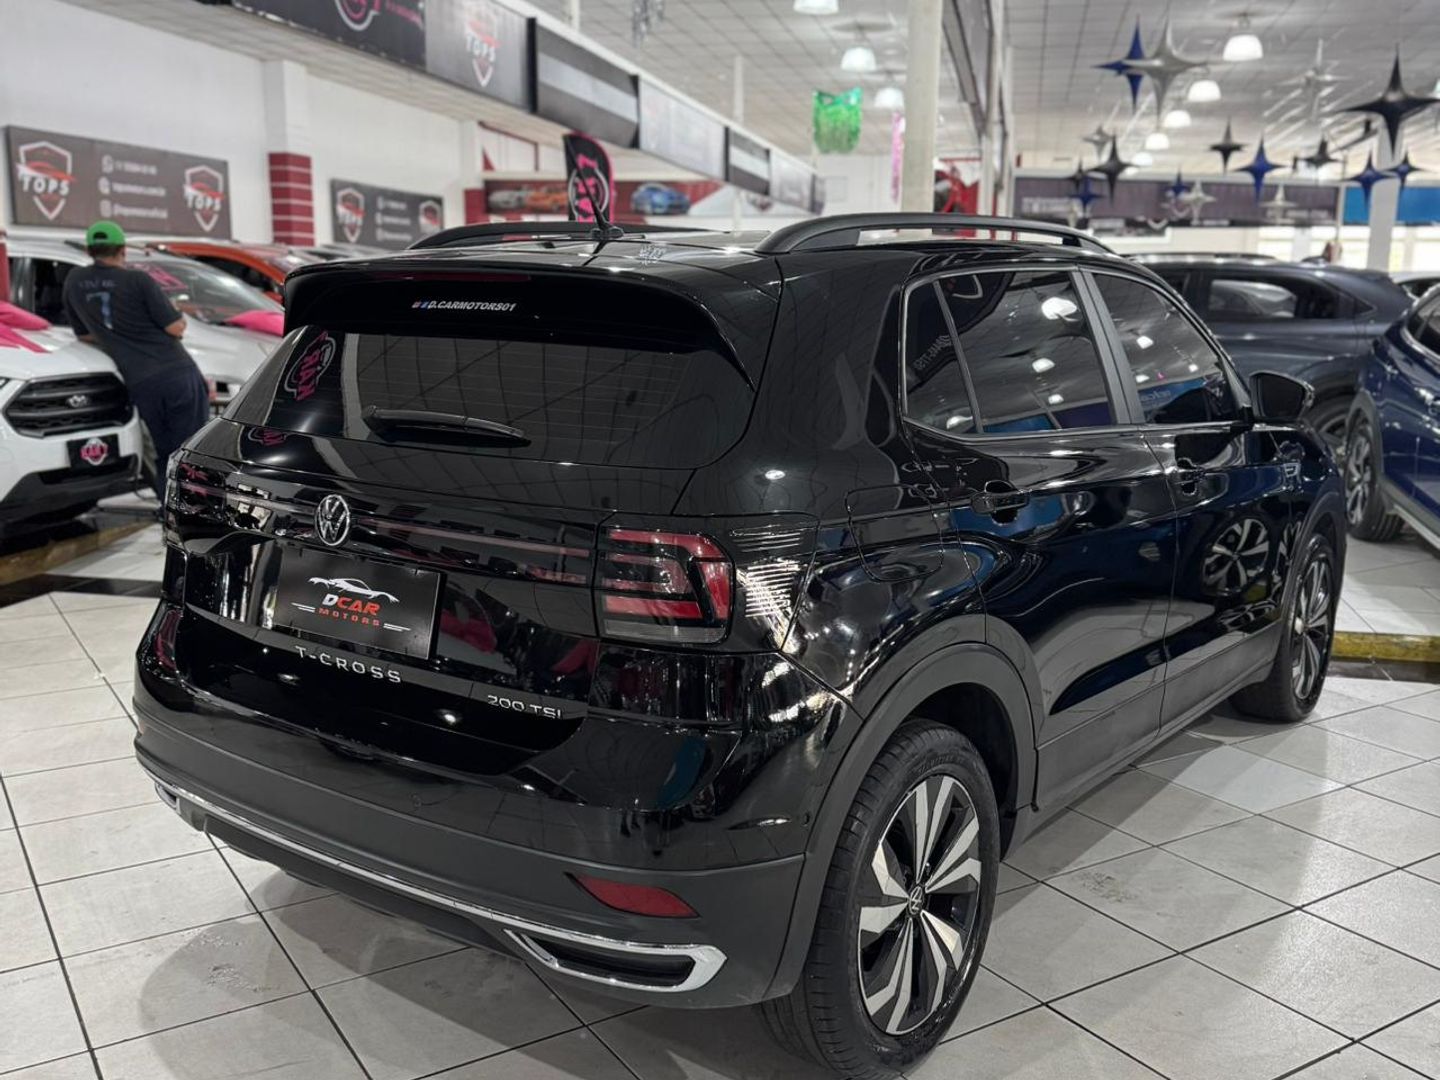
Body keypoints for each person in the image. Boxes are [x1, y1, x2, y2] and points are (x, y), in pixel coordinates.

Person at [62, 220, 210, 498]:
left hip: (140, 381)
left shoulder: (74, 281)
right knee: (192, 451)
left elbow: (84, 335)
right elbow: (175, 327)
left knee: (165, 451)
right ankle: (195, 509)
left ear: (89, 251)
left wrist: (116, 336)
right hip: (175, 373)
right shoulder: (137, 280)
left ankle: (169, 508)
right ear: (122, 250)